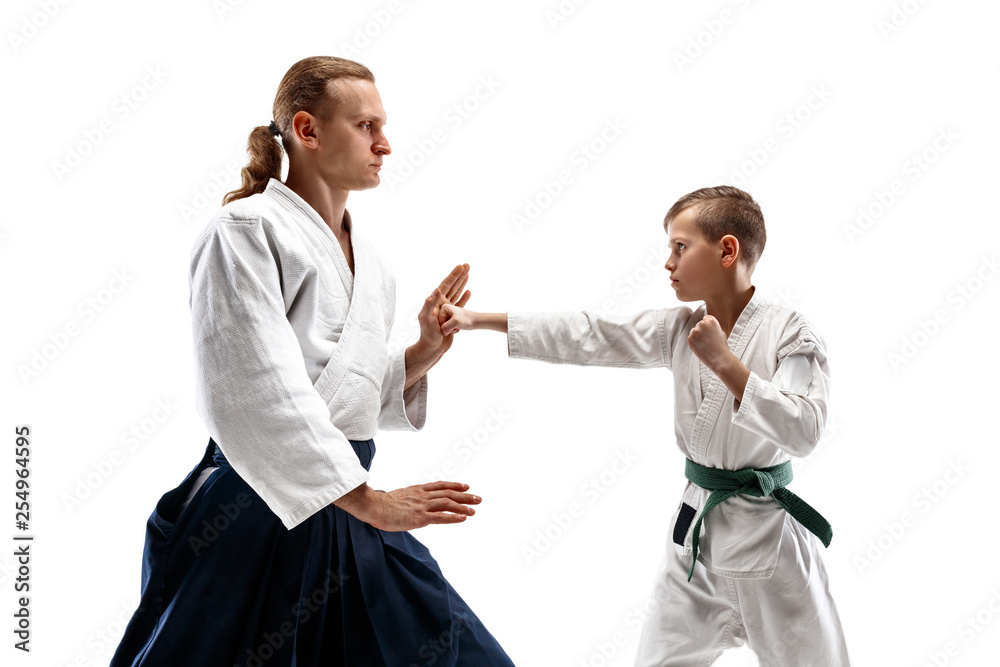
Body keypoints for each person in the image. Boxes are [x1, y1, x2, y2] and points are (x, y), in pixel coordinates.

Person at [110, 56, 515, 667]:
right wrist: (372, 503)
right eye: (365, 125)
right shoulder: (244, 230)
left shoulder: (373, 261)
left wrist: (423, 352)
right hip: (256, 507)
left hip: (348, 497)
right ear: (307, 129)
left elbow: (344, 393)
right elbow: (255, 390)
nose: (385, 143)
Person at [438, 186, 851, 666]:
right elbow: (591, 333)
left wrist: (727, 365)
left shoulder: (790, 331)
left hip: (771, 549)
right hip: (695, 543)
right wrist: (480, 319)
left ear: (727, 250)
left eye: (680, 246)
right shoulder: (677, 328)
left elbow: (805, 430)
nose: (668, 262)